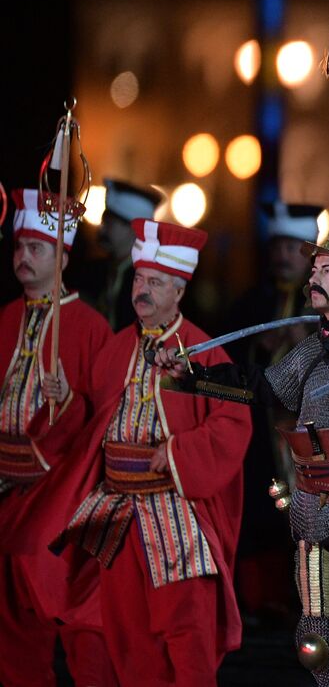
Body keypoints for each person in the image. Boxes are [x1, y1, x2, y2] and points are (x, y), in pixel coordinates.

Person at [165, 219, 329, 686]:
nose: (313, 279)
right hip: (316, 500)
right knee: (318, 624)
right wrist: (192, 378)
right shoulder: (313, 350)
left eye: (328, 271)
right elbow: (260, 388)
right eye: (314, 270)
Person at [48, 219, 251, 686]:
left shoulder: (209, 353)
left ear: (179, 291)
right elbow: (92, 422)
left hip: (174, 511)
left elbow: (234, 424)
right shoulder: (116, 348)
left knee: (188, 636)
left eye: (155, 282)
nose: (141, 290)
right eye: (139, 279)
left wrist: (177, 451)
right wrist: (66, 401)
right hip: (117, 509)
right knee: (128, 637)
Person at [0, 188, 114, 686]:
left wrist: (69, 401)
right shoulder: (5, 317)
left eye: (37, 249)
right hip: (5, 485)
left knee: (53, 595)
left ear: (63, 257)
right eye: (19, 247)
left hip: (59, 489)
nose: (23, 258)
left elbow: (107, 414)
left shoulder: (90, 327)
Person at [223, 199, 322, 623]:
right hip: (261, 430)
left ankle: (311, 602)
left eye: (293, 248)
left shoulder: (327, 306)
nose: (283, 256)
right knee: (259, 508)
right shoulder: (252, 303)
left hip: (310, 431)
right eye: (278, 247)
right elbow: (226, 360)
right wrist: (256, 349)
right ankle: (260, 599)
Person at [90, 179, 161, 331]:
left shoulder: (152, 282)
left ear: (132, 229)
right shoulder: (94, 271)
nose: (102, 230)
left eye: (110, 223)